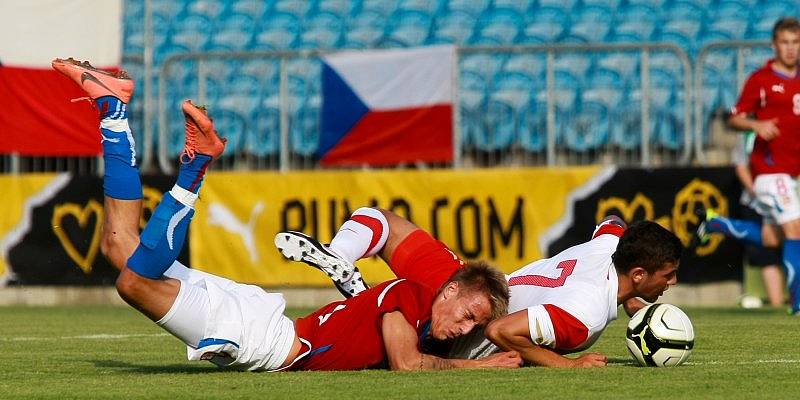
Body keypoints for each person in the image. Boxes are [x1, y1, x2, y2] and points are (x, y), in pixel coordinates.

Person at [52, 57, 521, 372]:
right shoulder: (415, 295)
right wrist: (481, 365)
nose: (465, 328)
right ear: (451, 289)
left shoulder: (420, 306)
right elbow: (408, 364)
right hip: (268, 343)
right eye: (467, 315)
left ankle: (112, 111)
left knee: (120, 248)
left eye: (472, 328)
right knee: (132, 279)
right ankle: (192, 162)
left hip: (270, 322)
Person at [276, 209, 682, 368]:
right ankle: (370, 293)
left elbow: (612, 218)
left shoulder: (610, 245)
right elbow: (500, 332)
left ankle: (341, 254)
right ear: (641, 273)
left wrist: (633, 301)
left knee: (381, 221)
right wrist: (568, 364)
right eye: (668, 274)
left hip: (469, 289)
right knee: (395, 337)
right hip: (472, 322)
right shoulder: (586, 312)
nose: (674, 282)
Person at [696, 17, 800, 314]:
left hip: (789, 174)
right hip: (770, 172)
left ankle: (717, 224)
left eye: (795, 42)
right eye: (785, 42)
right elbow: (735, 118)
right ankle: (799, 303)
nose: (790, 49)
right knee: (796, 229)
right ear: (774, 45)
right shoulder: (761, 80)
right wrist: (757, 124)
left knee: (772, 236)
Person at [732, 133, 785, 307]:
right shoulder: (748, 134)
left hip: (786, 197)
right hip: (758, 202)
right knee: (767, 251)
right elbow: (741, 166)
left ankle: (716, 223)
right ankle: (779, 304)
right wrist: (758, 192)